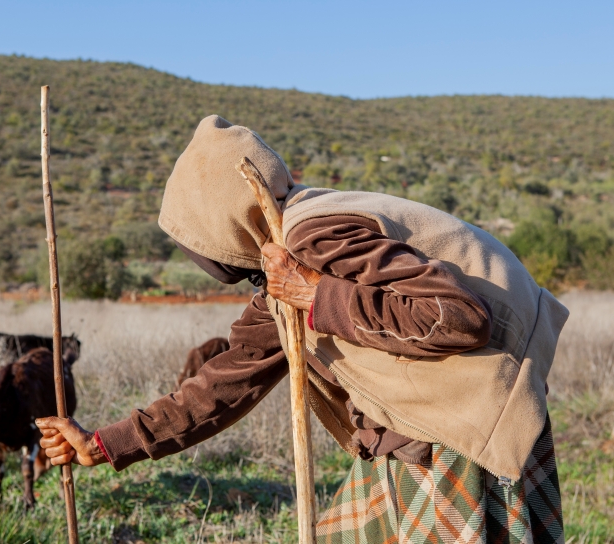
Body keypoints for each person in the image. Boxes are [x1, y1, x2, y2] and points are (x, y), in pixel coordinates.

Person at [37, 115, 568, 543]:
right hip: (424, 425)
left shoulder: (313, 238)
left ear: (223, 225)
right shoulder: (284, 266)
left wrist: (317, 295)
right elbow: (228, 381)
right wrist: (106, 445)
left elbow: (457, 317)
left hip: (466, 424)